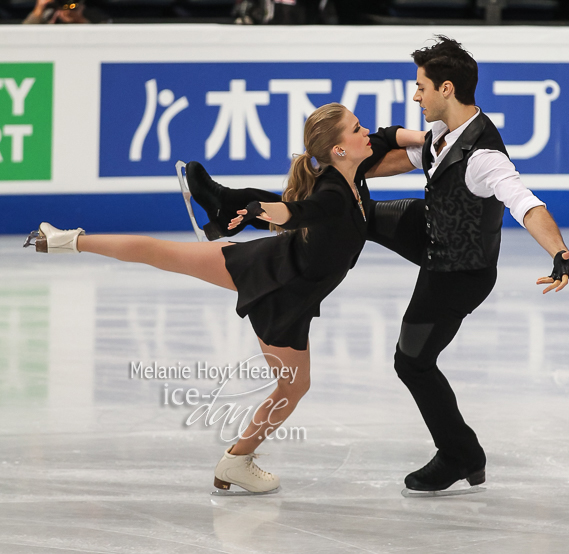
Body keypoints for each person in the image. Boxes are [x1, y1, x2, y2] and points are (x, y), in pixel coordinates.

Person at [181, 36, 569, 495]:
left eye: (421, 87)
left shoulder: (484, 158)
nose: (415, 95)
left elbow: (527, 204)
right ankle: (228, 204)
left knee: (412, 363)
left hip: (457, 271)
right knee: (351, 208)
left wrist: (559, 252)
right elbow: (387, 159)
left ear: (446, 89)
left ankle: (460, 454)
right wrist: (346, 167)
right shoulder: (443, 136)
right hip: (428, 229)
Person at [24, 102, 424, 495]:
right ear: (338, 149)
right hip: (279, 288)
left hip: (271, 270)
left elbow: (388, 136)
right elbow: (297, 212)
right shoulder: (336, 192)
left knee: (163, 254)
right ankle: (236, 460)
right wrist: (261, 210)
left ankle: (71, 240)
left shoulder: (354, 173)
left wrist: (425, 137)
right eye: (356, 129)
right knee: (291, 387)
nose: (365, 132)